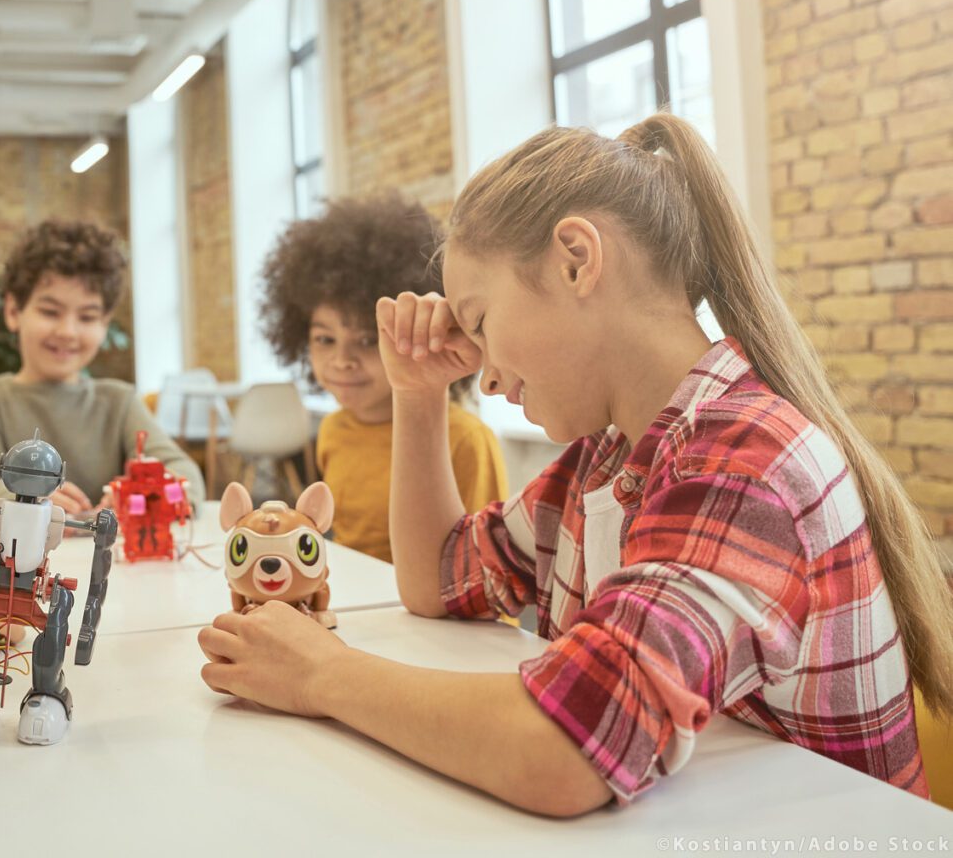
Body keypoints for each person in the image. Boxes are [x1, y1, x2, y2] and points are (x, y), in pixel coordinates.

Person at [199, 114, 952, 815]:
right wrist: (419, 396)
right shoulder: (610, 455)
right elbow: (440, 577)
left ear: (576, 260)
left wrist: (321, 675)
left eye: (482, 323)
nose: (485, 375)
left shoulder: (741, 460)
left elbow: (570, 749)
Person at [258, 194, 506, 561]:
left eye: (368, 340)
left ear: (413, 334)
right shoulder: (333, 431)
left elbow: (491, 569)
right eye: (325, 339)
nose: (342, 361)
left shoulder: (466, 440)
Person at [0, 218, 203, 518]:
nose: (68, 331)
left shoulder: (118, 401)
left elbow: (184, 476)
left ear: (104, 324)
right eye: (50, 311)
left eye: (87, 317)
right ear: (14, 311)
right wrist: (27, 503)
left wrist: (146, 498)